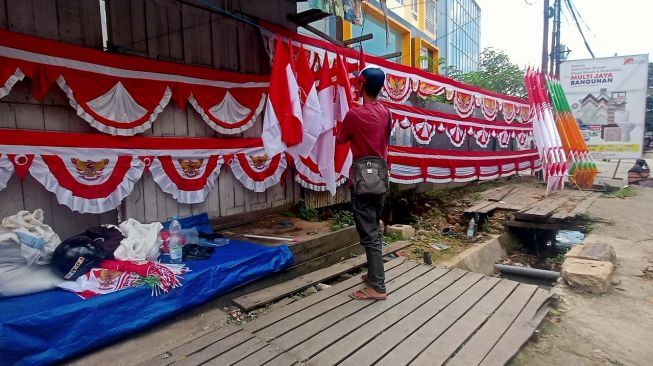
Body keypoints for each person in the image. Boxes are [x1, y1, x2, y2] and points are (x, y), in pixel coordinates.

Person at [337, 67, 391, 300]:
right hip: (380, 176)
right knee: (373, 228)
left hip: (362, 178)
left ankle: (377, 287)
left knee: (369, 234)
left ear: (361, 85)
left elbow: (341, 139)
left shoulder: (354, 115)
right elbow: (385, 139)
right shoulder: (387, 113)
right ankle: (373, 276)